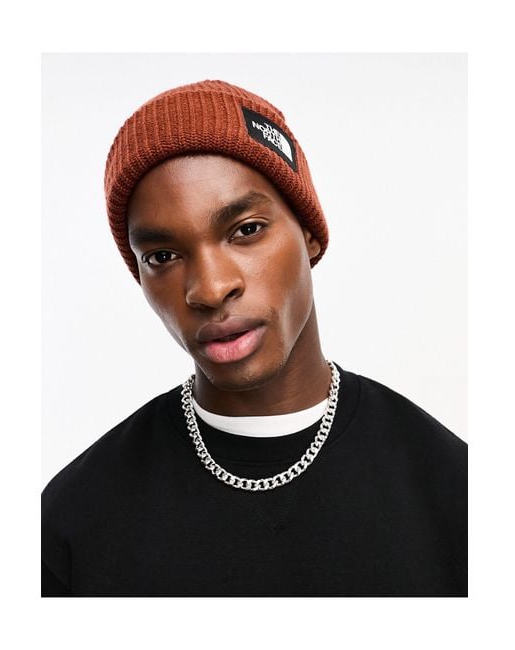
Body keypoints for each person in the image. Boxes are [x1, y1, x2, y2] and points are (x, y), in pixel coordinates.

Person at [42, 79, 467, 597]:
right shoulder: (71, 522)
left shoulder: (456, 492)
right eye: (162, 256)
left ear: (309, 233)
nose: (210, 288)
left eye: (245, 230)